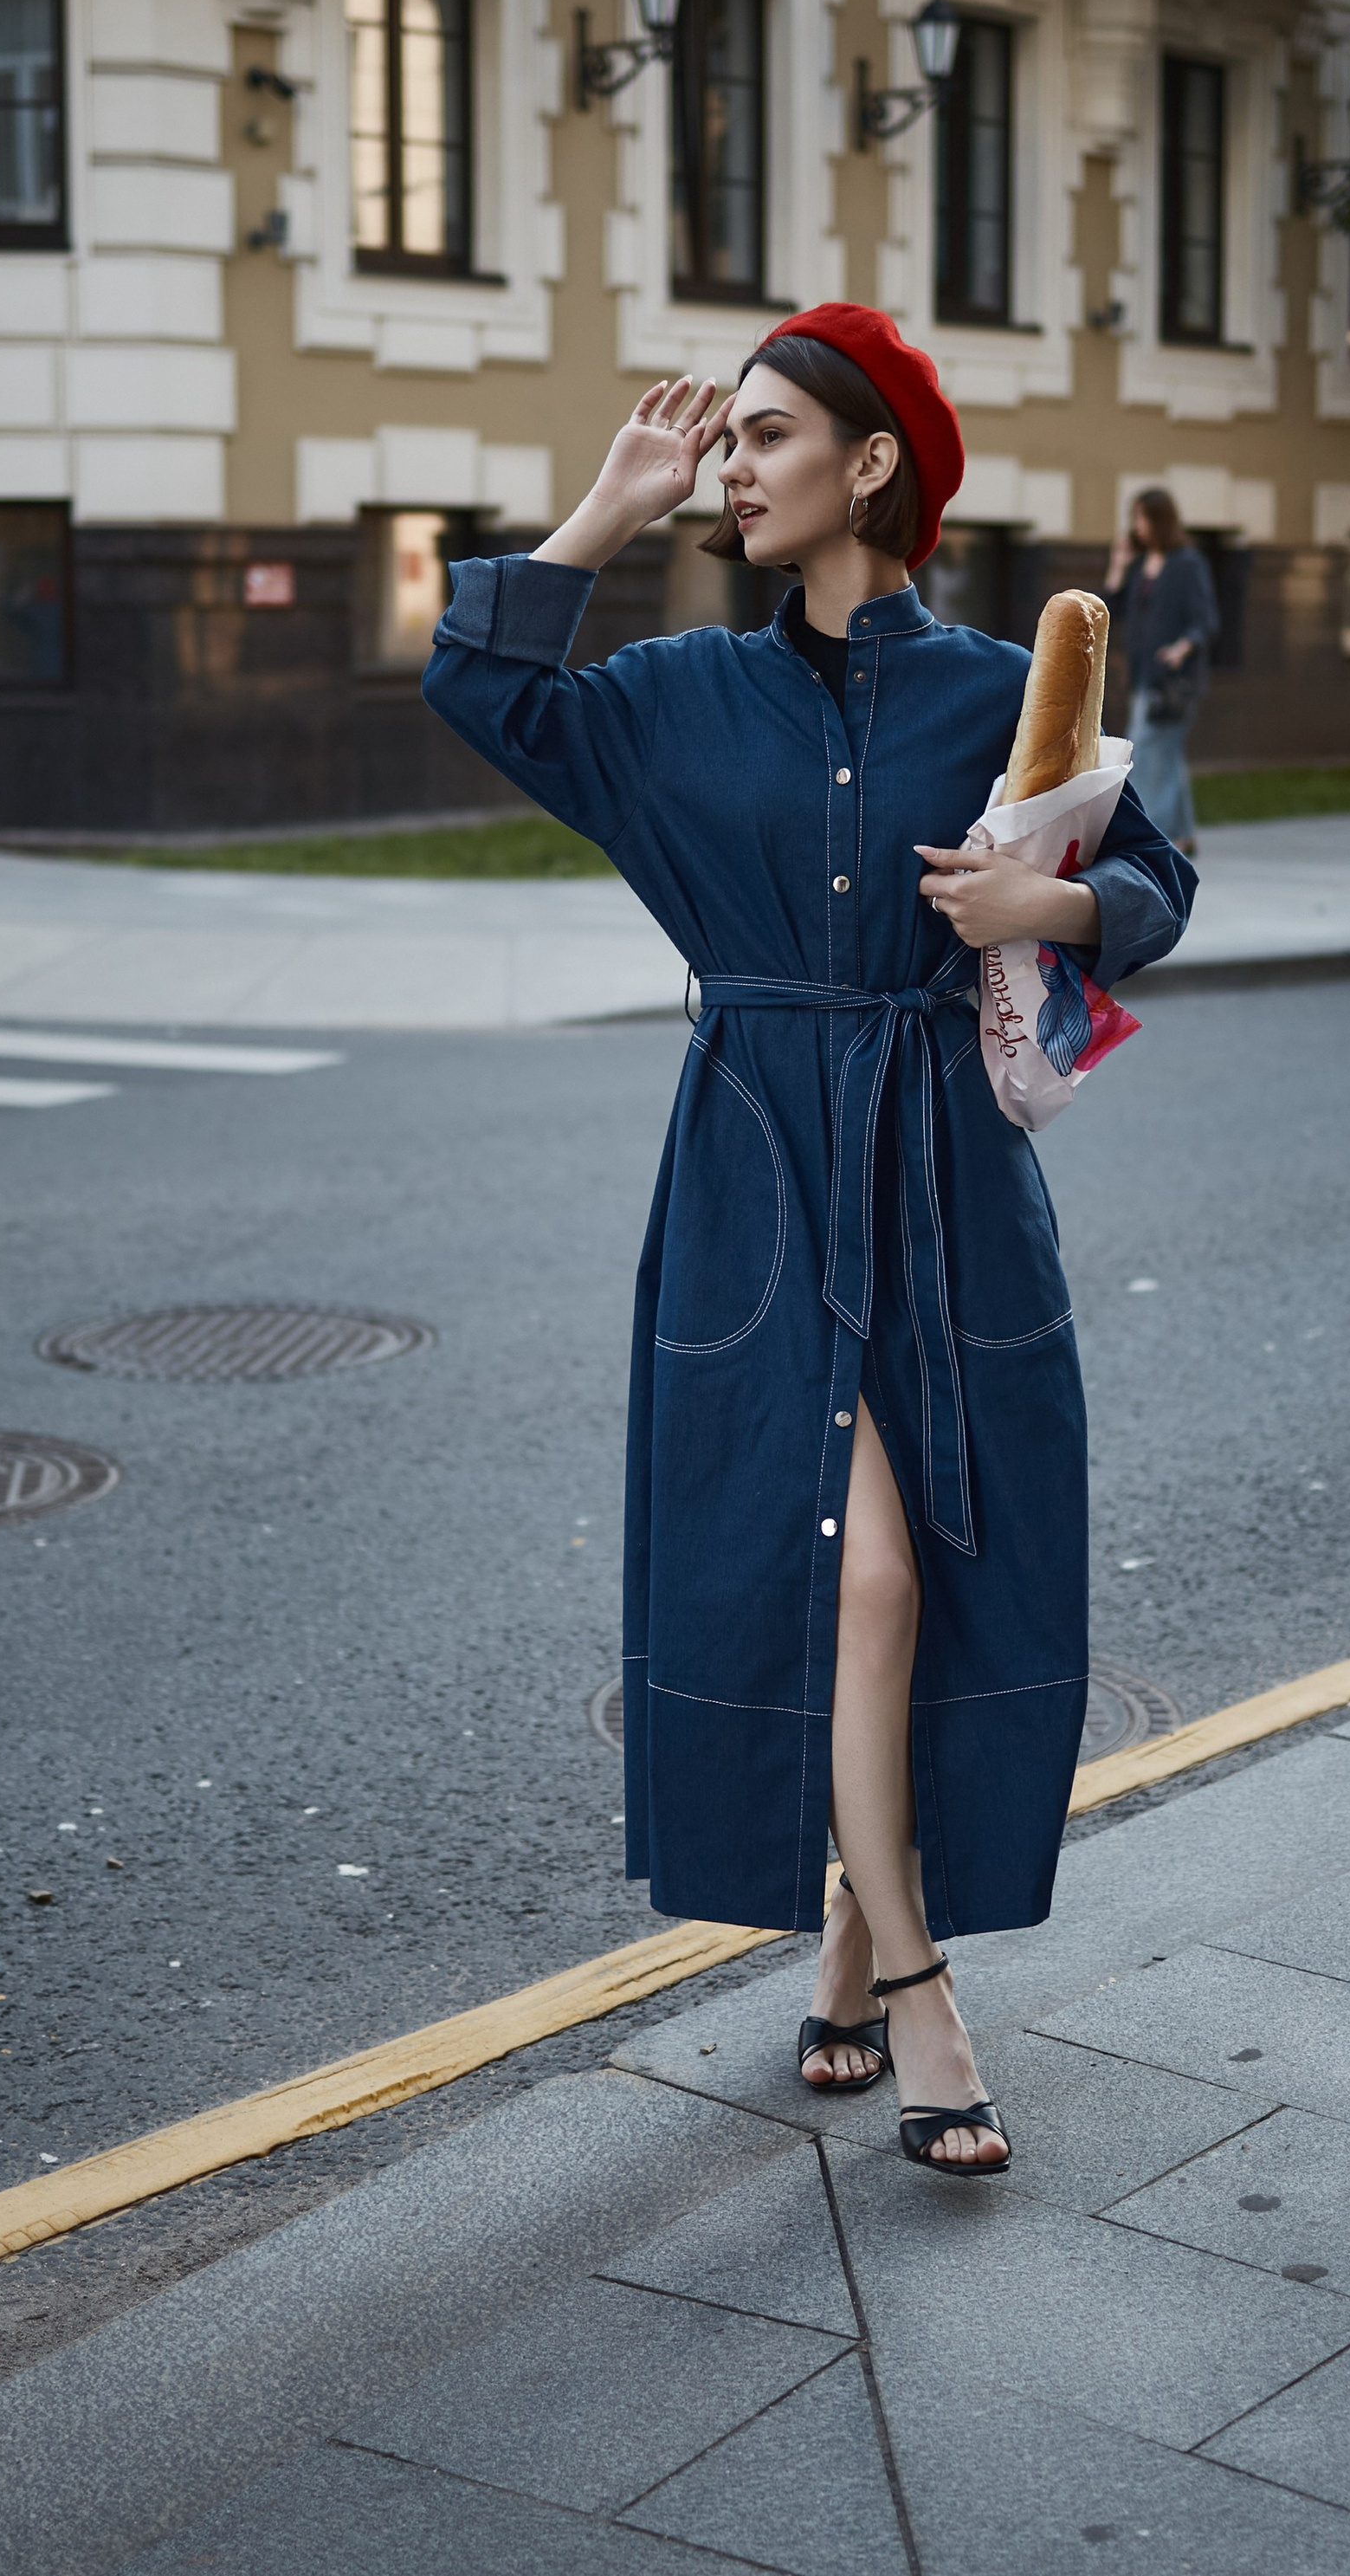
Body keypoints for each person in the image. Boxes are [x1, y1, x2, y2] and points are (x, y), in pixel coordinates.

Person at [424, 307, 1194, 2179]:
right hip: (757, 1169)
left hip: (943, 1168)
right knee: (845, 1580)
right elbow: (482, 690)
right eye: (727, 440)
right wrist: (605, 505)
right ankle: (920, 1985)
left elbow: (1155, 879)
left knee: (937, 1564)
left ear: (872, 466)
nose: (732, 464)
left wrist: (1054, 896)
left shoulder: (1006, 691)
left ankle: (844, 1960)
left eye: (769, 434)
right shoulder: (677, 696)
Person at [1104, 489, 1219, 854]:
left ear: (1160, 520)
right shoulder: (1139, 566)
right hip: (1142, 677)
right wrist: (1118, 566)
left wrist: (1182, 648)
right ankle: (1183, 835)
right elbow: (1110, 610)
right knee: (1167, 755)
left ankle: (1158, 839)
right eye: (1135, 517)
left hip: (1173, 681)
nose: (1137, 525)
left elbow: (1206, 620)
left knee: (1149, 754)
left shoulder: (1188, 564)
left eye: (1143, 518)